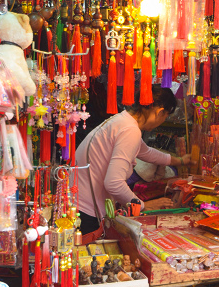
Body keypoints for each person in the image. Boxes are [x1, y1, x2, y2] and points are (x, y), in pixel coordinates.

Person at [75, 86, 191, 240]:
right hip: (87, 212)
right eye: (165, 117)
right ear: (160, 112)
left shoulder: (122, 120)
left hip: (78, 204)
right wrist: (143, 205)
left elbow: (146, 152)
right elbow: (114, 183)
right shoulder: (130, 130)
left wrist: (180, 161)